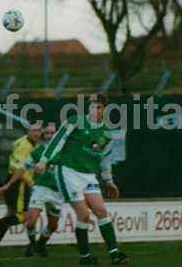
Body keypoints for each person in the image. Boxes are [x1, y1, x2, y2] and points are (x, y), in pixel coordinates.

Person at [35, 94, 128, 266]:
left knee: (101, 211)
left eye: (98, 107)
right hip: (68, 171)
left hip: (88, 175)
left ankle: (115, 254)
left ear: (105, 109)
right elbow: (58, 140)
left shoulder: (107, 132)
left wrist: (108, 180)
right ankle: (84, 257)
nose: (95, 110)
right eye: (92, 106)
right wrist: (43, 160)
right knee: (84, 215)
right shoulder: (74, 121)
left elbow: (105, 159)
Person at [0, 122, 42, 249]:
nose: (37, 133)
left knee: (11, 213)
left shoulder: (31, 144)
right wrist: (30, 182)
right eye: (34, 130)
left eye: (39, 130)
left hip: (16, 182)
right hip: (19, 183)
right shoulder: (24, 146)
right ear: (28, 131)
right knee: (25, 216)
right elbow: (15, 168)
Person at [22, 123, 63, 257]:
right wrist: (33, 176)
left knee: (53, 226)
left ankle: (40, 245)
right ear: (43, 135)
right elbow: (25, 167)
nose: (50, 136)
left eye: (52, 133)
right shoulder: (37, 151)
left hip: (57, 192)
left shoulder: (64, 150)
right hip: (40, 189)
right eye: (47, 133)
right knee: (31, 222)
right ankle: (32, 245)